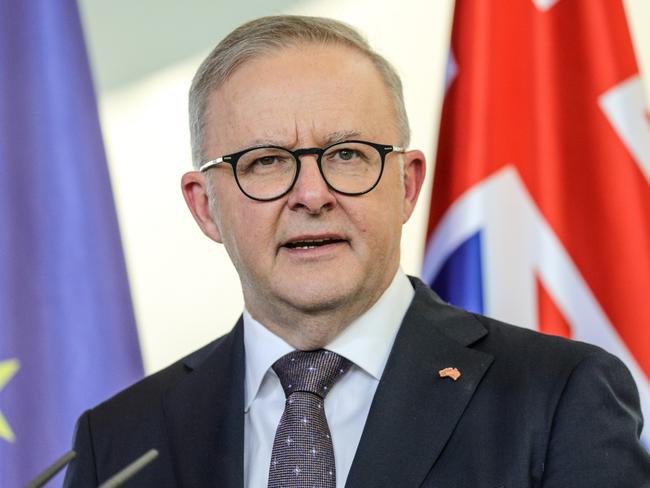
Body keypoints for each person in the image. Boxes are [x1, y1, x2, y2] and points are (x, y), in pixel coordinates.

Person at [64, 15, 650, 487]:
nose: (312, 195)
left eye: (347, 155)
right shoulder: (118, 440)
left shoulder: (557, 396)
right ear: (204, 207)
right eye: (266, 161)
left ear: (407, 184)